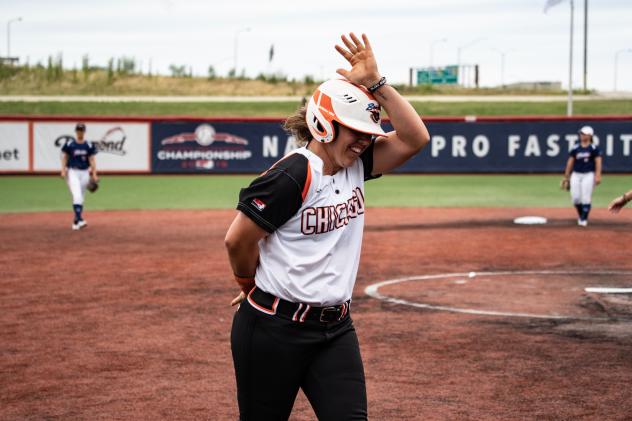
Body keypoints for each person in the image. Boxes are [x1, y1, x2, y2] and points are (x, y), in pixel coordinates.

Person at [224, 32, 430, 420]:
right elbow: (237, 239)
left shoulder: (358, 164)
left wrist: (377, 85)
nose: (364, 142)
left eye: (368, 134)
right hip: (272, 330)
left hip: (335, 330)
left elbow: (415, 138)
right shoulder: (294, 174)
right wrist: (248, 286)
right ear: (324, 124)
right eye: (355, 131)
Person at [561, 125, 602, 226]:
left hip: (589, 174)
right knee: (575, 198)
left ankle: (583, 219)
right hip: (576, 174)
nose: (581, 135)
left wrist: (598, 175)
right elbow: (570, 162)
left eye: (583, 134)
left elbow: (598, 162)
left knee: (586, 197)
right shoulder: (576, 148)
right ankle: (581, 214)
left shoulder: (593, 148)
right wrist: (566, 176)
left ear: (589, 135)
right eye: (581, 133)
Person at [61, 122, 98, 230]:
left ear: (84, 132)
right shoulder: (70, 144)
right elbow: (65, 158)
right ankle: (80, 220)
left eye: (81, 130)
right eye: (78, 130)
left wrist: (94, 174)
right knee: (77, 195)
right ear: (76, 131)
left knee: (81, 197)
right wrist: (63, 170)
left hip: (85, 172)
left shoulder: (89, 145)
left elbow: (92, 159)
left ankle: (76, 222)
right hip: (73, 172)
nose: (80, 132)